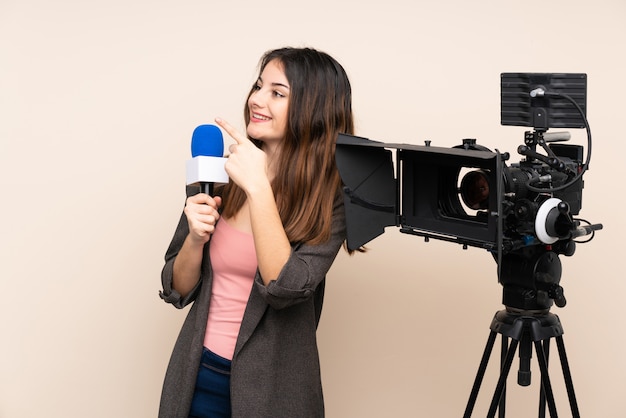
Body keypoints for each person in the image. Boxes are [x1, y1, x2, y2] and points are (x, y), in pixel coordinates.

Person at [158, 47, 355, 418]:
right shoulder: (217, 173)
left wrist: (260, 189)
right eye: (258, 86)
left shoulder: (331, 200)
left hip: (274, 393)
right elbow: (177, 288)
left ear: (313, 110)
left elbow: (287, 287)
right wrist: (196, 240)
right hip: (195, 377)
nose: (256, 99)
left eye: (277, 93)